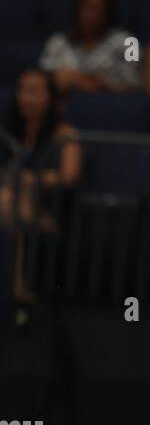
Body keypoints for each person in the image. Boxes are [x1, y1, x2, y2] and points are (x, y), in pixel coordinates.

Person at [0, 68, 83, 305]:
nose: (26, 97)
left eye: (34, 91)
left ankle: (16, 287)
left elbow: (68, 176)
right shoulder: (7, 132)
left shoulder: (65, 134)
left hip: (46, 210)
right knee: (7, 200)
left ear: (51, 98)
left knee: (8, 199)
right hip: (12, 204)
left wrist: (31, 178)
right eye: (22, 90)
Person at [39, 0, 138, 94]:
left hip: (111, 102)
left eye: (97, 8)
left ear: (108, 12)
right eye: (86, 6)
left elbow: (136, 85)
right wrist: (71, 80)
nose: (89, 14)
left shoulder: (130, 42)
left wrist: (100, 85)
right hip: (67, 103)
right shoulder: (57, 42)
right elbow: (43, 81)